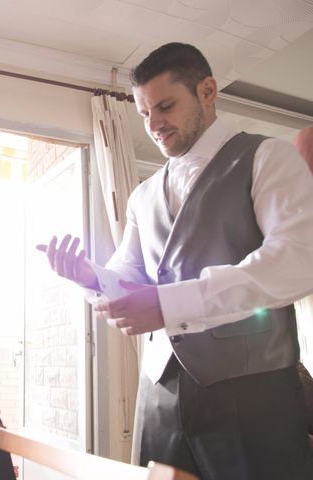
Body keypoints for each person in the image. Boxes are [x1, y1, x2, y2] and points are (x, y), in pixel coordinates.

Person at [38, 43, 313, 479]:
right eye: (145, 114)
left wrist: (171, 305)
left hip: (252, 391)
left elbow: (298, 258)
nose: (153, 125)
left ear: (208, 91)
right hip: (158, 393)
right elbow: (130, 276)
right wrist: (92, 278)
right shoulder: (143, 195)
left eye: (165, 106)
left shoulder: (267, 156)